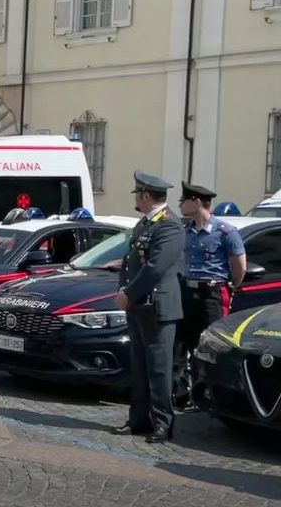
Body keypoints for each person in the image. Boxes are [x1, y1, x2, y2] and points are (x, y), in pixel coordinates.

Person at [112, 171, 184, 444]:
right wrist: (125, 290)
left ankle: (163, 422)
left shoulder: (169, 225)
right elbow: (133, 261)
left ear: (145, 195)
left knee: (159, 369)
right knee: (139, 366)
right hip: (139, 305)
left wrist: (129, 294)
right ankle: (139, 419)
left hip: (158, 306)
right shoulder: (146, 224)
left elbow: (156, 268)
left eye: (138, 195)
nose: (136, 199)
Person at [175, 181, 245, 411]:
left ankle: (209, 394)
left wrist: (227, 287)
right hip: (188, 291)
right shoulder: (186, 232)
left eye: (183, 200)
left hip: (211, 292)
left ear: (196, 202)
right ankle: (186, 393)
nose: (180, 205)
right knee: (186, 344)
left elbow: (239, 268)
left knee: (211, 345)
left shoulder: (225, 232)